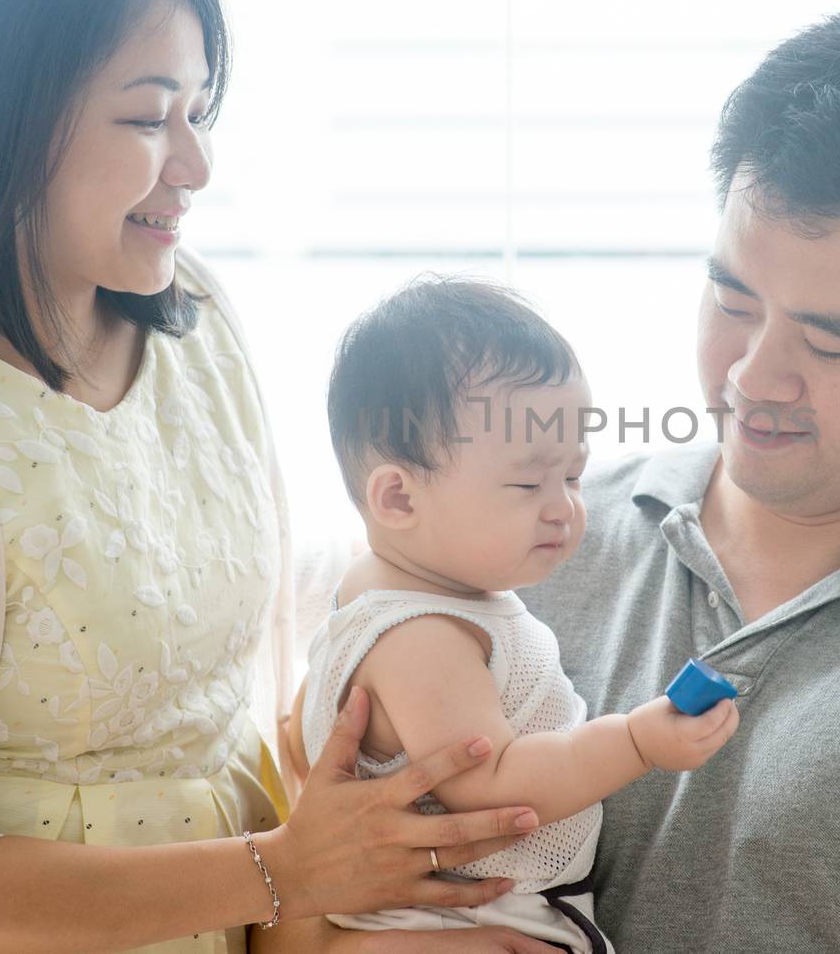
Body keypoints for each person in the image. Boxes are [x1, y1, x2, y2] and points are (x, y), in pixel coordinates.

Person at [317, 6, 840, 952]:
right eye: (732, 300)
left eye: (832, 340)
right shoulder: (518, 536)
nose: (753, 376)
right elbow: (301, 910)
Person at [0, 0, 544, 951]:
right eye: (147, 117)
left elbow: (256, 674)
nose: (193, 165)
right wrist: (282, 873)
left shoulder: (196, 321)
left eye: (198, 113)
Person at [279, 276, 741, 953]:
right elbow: (492, 788)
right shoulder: (421, 636)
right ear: (399, 500)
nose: (563, 507)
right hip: (455, 924)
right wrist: (637, 741)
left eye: (574, 476)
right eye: (528, 483)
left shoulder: (420, 589)